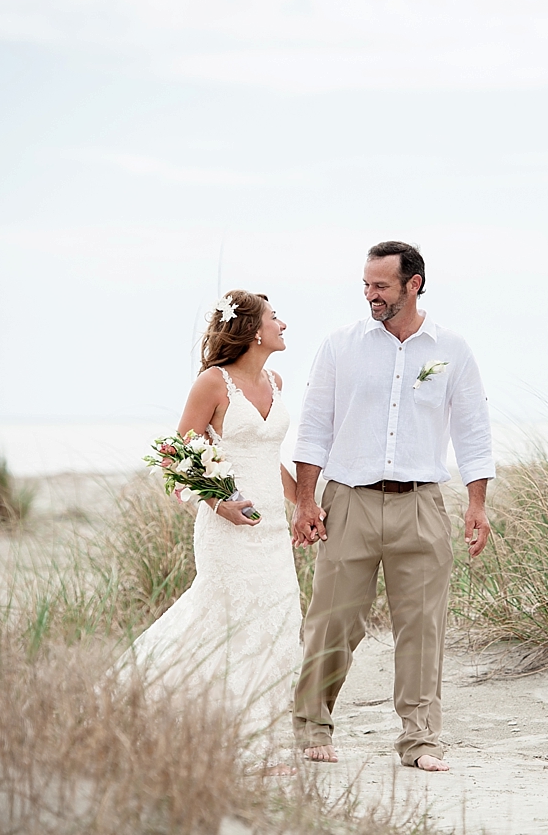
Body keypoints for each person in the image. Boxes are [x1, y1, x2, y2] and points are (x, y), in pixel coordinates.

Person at [290, 241, 495, 772]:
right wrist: (306, 500)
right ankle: (312, 724)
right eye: (365, 285)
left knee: (423, 627)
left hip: (423, 504)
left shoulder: (452, 349)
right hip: (349, 502)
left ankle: (421, 740)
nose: (370, 296)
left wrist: (477, 505)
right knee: (333, 621)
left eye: (380, 286)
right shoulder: (340, 346)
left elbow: (473, 431)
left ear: (414, 284)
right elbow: (313, 427)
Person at [120, 289, 302, 774]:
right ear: (252, 329)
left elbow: (269, 459)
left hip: (273, 529)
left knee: (277, 625)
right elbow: (175, 456)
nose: (284, 324)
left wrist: (304, 504)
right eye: (275, 317)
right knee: (227, 623)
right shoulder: (213, 383)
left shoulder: (276, 380)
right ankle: (235, 744)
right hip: (228, 531)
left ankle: (259, 736)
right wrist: (220, 504)